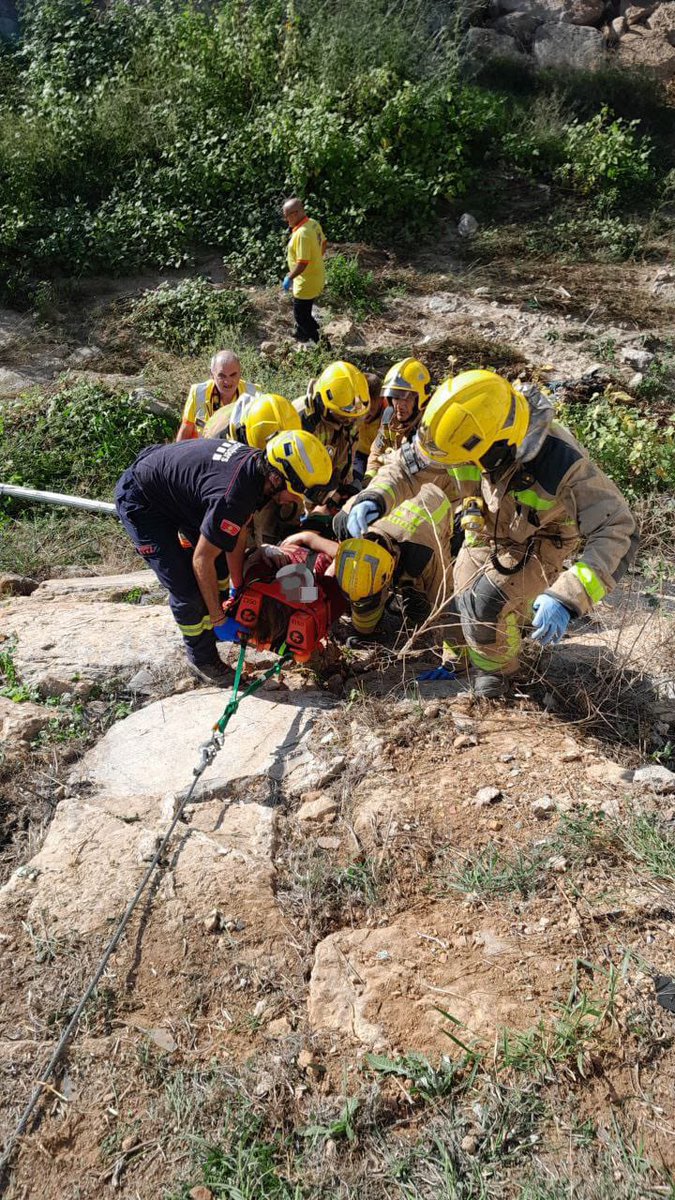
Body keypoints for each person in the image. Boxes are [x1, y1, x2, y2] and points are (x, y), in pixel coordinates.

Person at [345, 369, 638, 698]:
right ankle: (472, 659)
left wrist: (568, 597)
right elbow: (406, 466)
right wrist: (375, 496)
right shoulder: (459, 431)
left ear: (498, 447)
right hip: (485, 528)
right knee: (458, 603)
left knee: (488, 602)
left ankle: (502, 680)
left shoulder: (560, 462)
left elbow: (618, 529)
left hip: (542, 539)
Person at [114, 430, 332, 686]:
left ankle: (213, 622)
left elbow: (236, 532)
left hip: (180, 493)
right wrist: (219, 619)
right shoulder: (235, 495)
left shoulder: (256, 474)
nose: (295, 500)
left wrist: (236, 587)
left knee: (220, 568)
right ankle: (202, 657)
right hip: (143, 500)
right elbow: (201, 560)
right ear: (276, 478)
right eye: (295, 493)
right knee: (186, 588)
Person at [334, 483, 454, 636]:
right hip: (395, 494)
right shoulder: (344, 522)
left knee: (420, 608)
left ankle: (412, 591)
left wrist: (433, 612)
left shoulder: (423, 553)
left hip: (435, 501)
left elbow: (443, 593)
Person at [293, 361, 370, 514]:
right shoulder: (301, 419)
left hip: (327, 495)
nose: (349, 420)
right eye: (343, 413)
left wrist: (345, 488)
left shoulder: (351, 416)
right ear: (325, 402)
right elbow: (289, 473)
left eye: (353, 415)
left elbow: (346, 455)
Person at [363, 357, 432, 483]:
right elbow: (376, 452)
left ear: (420, 398)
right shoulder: (389, 418)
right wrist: (368, 481)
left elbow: (420, 472)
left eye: (406, 398)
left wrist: (389, 459)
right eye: (395, 397)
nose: (399, 405)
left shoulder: (429, 427)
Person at [176, 350, 257, 442]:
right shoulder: (198, 392)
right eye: (222, 376)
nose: (228, 381)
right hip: (203, 450)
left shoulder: (254, 394)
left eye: (233, 375)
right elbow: (186, 430)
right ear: (212, 375)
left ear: (240, 373)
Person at [282, 197, 327, 344]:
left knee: (301, 315)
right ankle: (301, 334)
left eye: (286, 216)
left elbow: (302, 263)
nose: (285, 219)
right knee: (305, 311)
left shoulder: (302, 233)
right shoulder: (313, 223)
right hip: (315, 275)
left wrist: (290, 277)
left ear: (294, 214)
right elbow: (324, 242)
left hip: (306, 282)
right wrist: (317, 259)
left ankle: (322, 343)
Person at [352, 373, 386, 484]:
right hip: (358, 454)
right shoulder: (351, 405)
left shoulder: (390, 416)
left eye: (371, 409)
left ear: (381, 399)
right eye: (363, 408)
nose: (365, 416)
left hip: (382, 458)